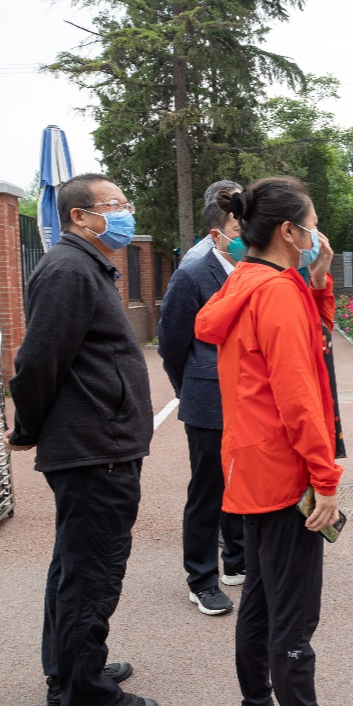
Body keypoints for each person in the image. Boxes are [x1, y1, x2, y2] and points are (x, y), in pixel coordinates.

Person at [195, 177, 353, 706]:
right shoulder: (275, 292)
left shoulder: (251, 280)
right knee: (293, 614)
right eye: (313, 224)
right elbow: (299, 394)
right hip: (284, 469)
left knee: (262, 599)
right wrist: (326, 477)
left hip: (253, 465)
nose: (319, 233)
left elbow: (311, 340)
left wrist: (319, 278)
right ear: (289, 231)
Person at [7, 173, 158, 706]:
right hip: (95, 448)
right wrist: (28, 427)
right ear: (79, 216)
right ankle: (86, 696)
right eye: (115, 204)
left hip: (99, 443)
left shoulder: (83, 266)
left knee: (76, 565)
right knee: (92, 572)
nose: (126, 212)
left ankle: (69, 671)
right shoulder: (69, 270)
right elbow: (37, 362)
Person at [157, 180, 244, 618]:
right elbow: (171, 343)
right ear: (217, 234)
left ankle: (238, 561)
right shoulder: (193, 274)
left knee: (244, 482)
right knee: (208, 489)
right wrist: (189, 388)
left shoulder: (257, 273)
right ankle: (202, 578)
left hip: (251, 401)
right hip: (209, 399)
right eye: (238, 228)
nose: (247, 235)